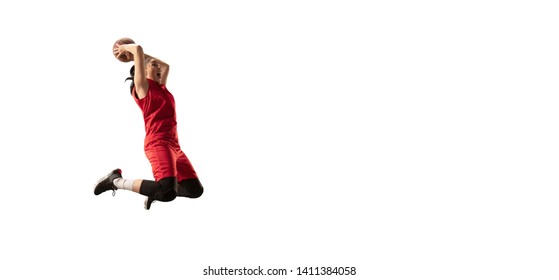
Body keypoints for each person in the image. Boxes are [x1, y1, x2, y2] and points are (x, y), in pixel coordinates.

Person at [94, 40, 204, 210]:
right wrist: (126, 50)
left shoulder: (161, 87)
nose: (158, 68)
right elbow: (137, 49)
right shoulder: (143, 88)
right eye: (153, 66)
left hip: (175, 146)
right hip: (157, 143)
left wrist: (145, 59)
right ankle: (115, 181)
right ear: (143, 72)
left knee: (195, 190)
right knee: (167, 192)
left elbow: (166, 66)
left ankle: (153, 192)